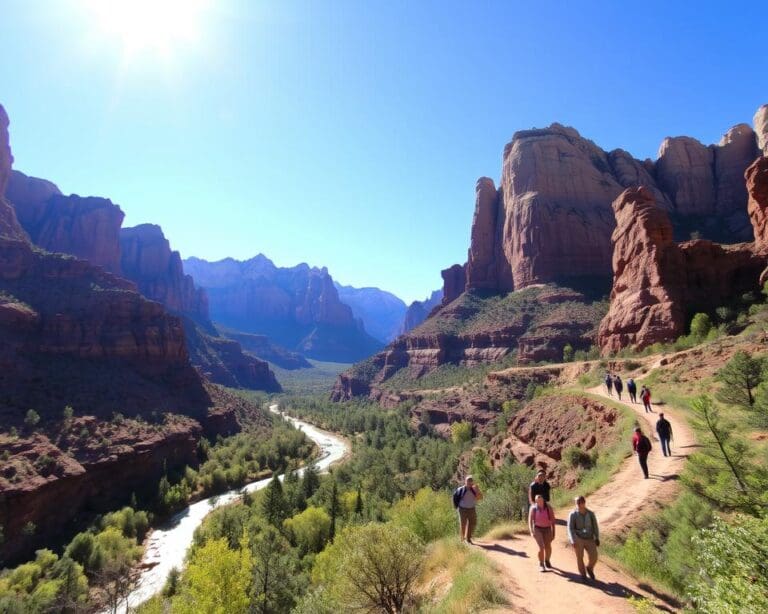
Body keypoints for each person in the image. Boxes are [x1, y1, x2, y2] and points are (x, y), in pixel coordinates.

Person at [567, 496, 600, 582]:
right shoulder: (573, 514)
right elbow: (570, 528)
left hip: (589, 538)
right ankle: (583, 575)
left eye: (580, 502)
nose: (578, 504)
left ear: (584, 503)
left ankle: (589, 568)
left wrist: (597, 537)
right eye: (577, 503)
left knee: (594, 556)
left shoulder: (591, 514)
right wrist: (572, 540)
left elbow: (595, 526)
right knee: (580, 557)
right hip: (578, 538)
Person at [529, 494, 556, 571]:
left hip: (547, 529)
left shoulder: (548, 507)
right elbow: (530, 521)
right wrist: (531, 531)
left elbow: (553, 520)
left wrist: (553, 532)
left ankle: (547, 560)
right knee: (541, 547)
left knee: (548, 547)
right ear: (536, 501)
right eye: (537, 501)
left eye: (540, 500)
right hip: (537, 529)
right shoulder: (533, 508)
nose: (539, 502)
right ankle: (541, 564)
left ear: (543, 500)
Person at [455, 475, 482, 544]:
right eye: (468, 481)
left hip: (472, 509)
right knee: (463, 524)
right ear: (465, 482)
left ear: (472, 482)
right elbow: (455, 498)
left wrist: (478, 490)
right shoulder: (460, 489)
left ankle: (468, 538)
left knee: (472, 523)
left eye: (471, 481)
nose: (469, 482)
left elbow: (480, 498)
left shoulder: (474, 489)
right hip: (462, 509)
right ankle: (462, 540)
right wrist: (456, 507)